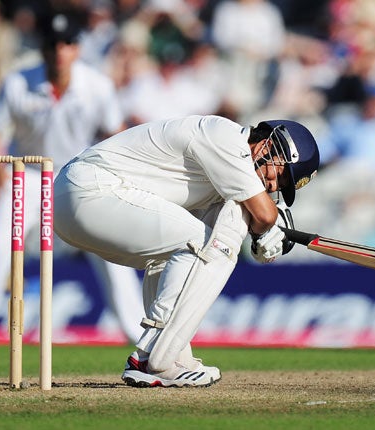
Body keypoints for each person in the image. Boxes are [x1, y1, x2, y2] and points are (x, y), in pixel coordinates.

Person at [53, 115, 320, 388]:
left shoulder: (223, 173)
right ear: (267, 146)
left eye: (282, 186)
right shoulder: (226, 138)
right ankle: (155, 359)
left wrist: (262, 232)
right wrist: (266, 228)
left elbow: (239, 217)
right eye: (282, 174)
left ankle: (175, 357)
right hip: (91, 189)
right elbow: (263, 214)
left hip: (79, 198)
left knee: (176, 253)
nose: (275, 186)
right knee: (207, 245)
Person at [0, 11, 145, 345]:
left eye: (67, 44)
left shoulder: (96, 86)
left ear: (76, 49)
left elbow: (116, 134)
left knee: (111, 251)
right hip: (27, 176)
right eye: (53, 44)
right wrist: (2, 173)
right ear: (43, 48)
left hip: (79, 176)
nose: (59, 51)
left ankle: (141, 337)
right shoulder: (19, 82)